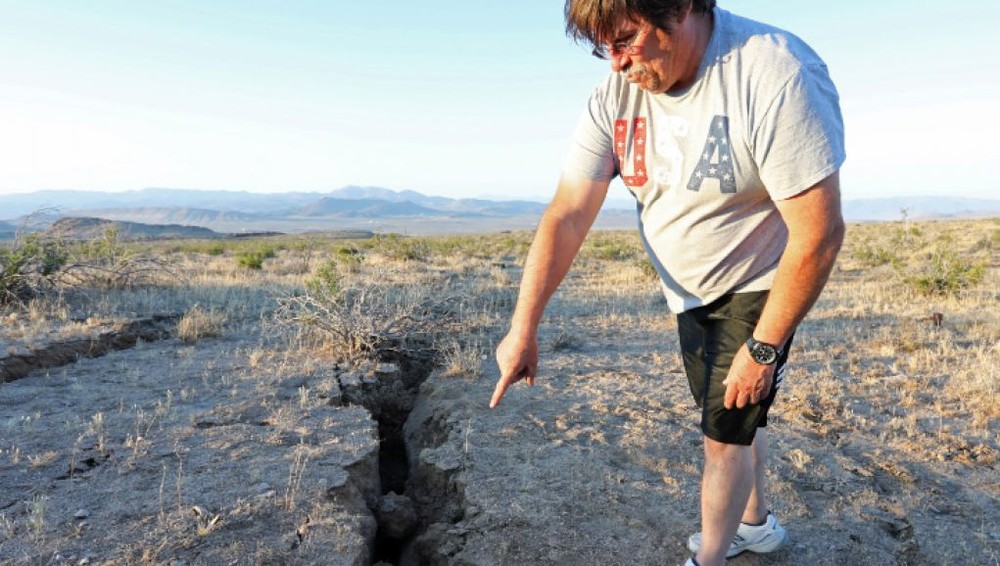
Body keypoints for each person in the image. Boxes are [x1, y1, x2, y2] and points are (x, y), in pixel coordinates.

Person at [488, 1, 845, 565]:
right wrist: (522, 325)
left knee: (722, 437)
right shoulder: (615, 95)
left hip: (758, 282)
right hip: (689, 292)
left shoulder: (773, 73)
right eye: (602, 46)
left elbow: (818, 234)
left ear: (679, 10)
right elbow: (568, 213)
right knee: (734, 414)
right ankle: (755, 527)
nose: (615, 63)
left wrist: (764, 346)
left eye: (627, 39)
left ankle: (708, 558)